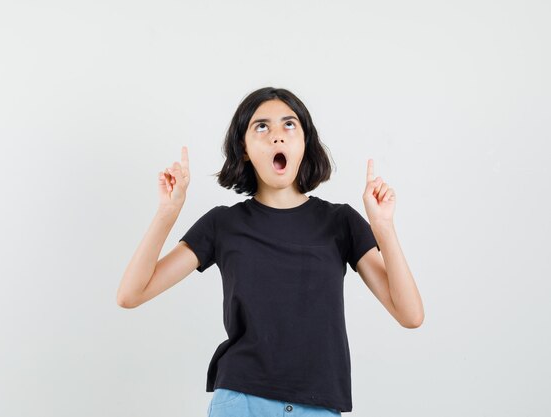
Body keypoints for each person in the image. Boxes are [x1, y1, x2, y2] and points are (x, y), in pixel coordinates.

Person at [116, 87, 424, 415]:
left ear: (305, 143)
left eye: (289, 125)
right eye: (261, 127)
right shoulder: (223, 224)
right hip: (240, 400)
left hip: (318, 405)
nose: (277, 136)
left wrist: (384, 228)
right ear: (245, 149)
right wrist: (168, 212)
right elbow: (131, 294)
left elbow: (410, 315)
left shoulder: (340, 222)